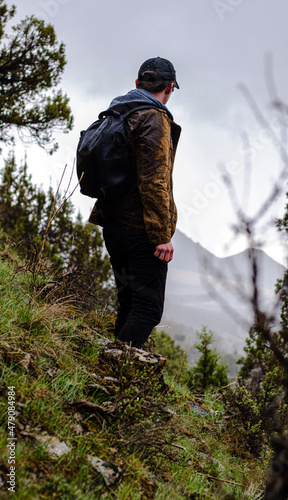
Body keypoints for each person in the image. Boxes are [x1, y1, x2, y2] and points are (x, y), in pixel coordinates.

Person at [89, 57, 181, 348]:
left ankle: (106, 377)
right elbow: (154, 180)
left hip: (113, 226)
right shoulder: (154, 117)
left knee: (128, 306)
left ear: (139, 84)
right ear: (169, 88)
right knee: (147, 310)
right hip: (140, 230)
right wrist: (161, 236)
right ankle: (113, 373)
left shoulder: (120, 110)